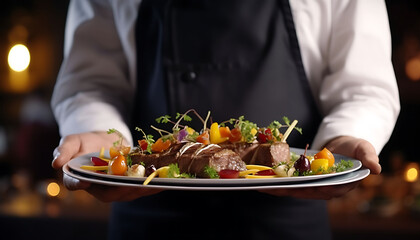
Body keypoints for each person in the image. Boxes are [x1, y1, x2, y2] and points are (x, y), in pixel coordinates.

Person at [51, 0, 400, 239]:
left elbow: (364, 86)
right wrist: (94, 128)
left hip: (289, 220)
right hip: (147, 213)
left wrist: (343, 141)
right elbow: (91, 81)